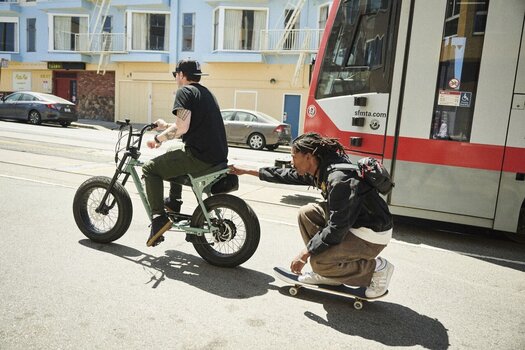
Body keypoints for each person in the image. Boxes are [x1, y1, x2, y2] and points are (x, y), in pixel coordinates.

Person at [230, 132, 394, 298]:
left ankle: (377, 267)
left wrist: (306, 253)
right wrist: (247, 171)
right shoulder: (322, 168)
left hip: (371, 234)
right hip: (354, 222)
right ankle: (329, 272)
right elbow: (286, 175)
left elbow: (337, 228)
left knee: (318, 262)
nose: (291, 162)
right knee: (306, 213)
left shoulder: (339, 179)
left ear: (308, 156)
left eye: (294, 157)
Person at [143, 59, 228, 247]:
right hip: (217, 155)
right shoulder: (205, 93)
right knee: (174, 150)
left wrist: (157, 140)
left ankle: (158, 219)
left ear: (182, 75)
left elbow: (182, 127)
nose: (176, 78)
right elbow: (188, 124)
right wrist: (164, 128)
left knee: (150, 169)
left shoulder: (184, 91)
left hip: (199, 157)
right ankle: (174, 203)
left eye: (176, 75)